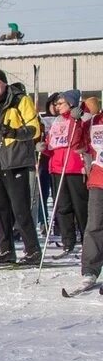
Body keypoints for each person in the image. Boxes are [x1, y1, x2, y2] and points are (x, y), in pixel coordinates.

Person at [0, 69, 41, 265]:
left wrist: (14, 132)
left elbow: (34, 129)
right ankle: (6, 250)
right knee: (0, 208)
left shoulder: (19, 100)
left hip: (15, 161)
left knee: (20, 208)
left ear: (4, 83)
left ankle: (32, 250)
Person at [45, 90, 88, 257]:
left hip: (74, 167)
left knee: (80, 206)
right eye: (56, 104)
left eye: (60, 103)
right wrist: (44, 148)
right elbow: (52, 144)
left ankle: (87, 240)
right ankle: (67, 241)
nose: (57, 106)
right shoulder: (57, 121)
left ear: (70, 103)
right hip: (57, 167)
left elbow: (78, 140)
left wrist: (77, 120)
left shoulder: (81, 119)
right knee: (62, 207)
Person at [80, 103, 103, 290]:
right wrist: (78, 118)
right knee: (94, 225)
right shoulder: (96, 121)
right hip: (99, 179)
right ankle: (90, 269)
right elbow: (79, 144)